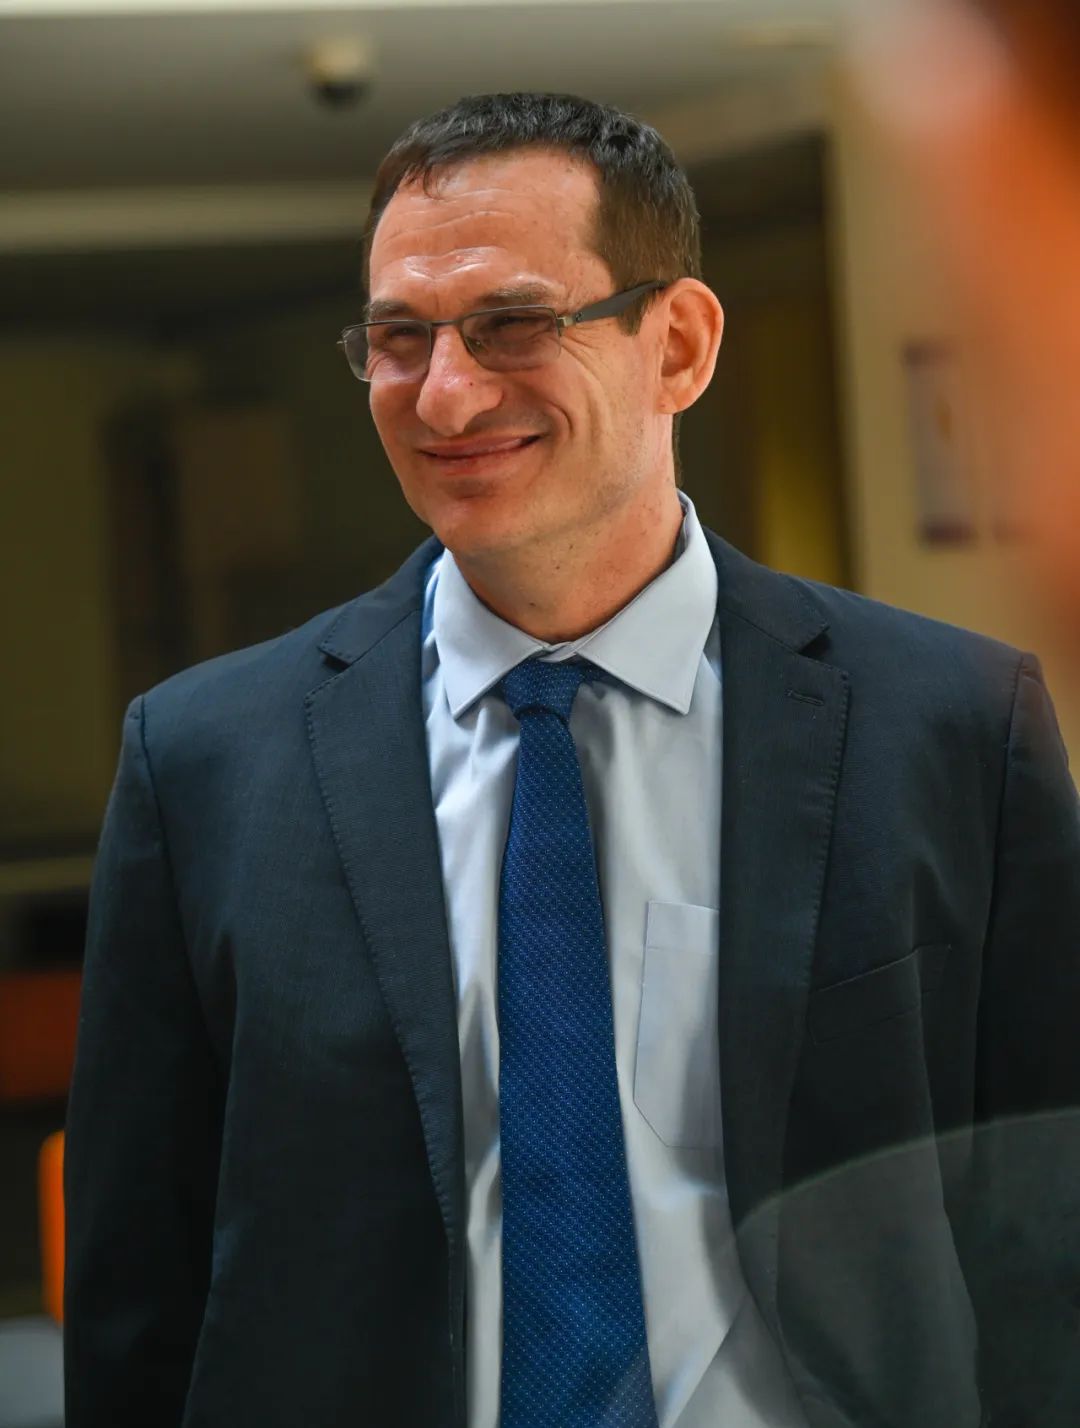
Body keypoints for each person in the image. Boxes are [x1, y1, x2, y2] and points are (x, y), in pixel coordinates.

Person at [64, 93, 1080, 1428]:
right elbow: (140, 1290)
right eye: (399, 337)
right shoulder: (203, 762)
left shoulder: (951, 727)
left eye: (513, 324)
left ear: (680, 345)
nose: (445, 392)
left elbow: (1048, 1240)